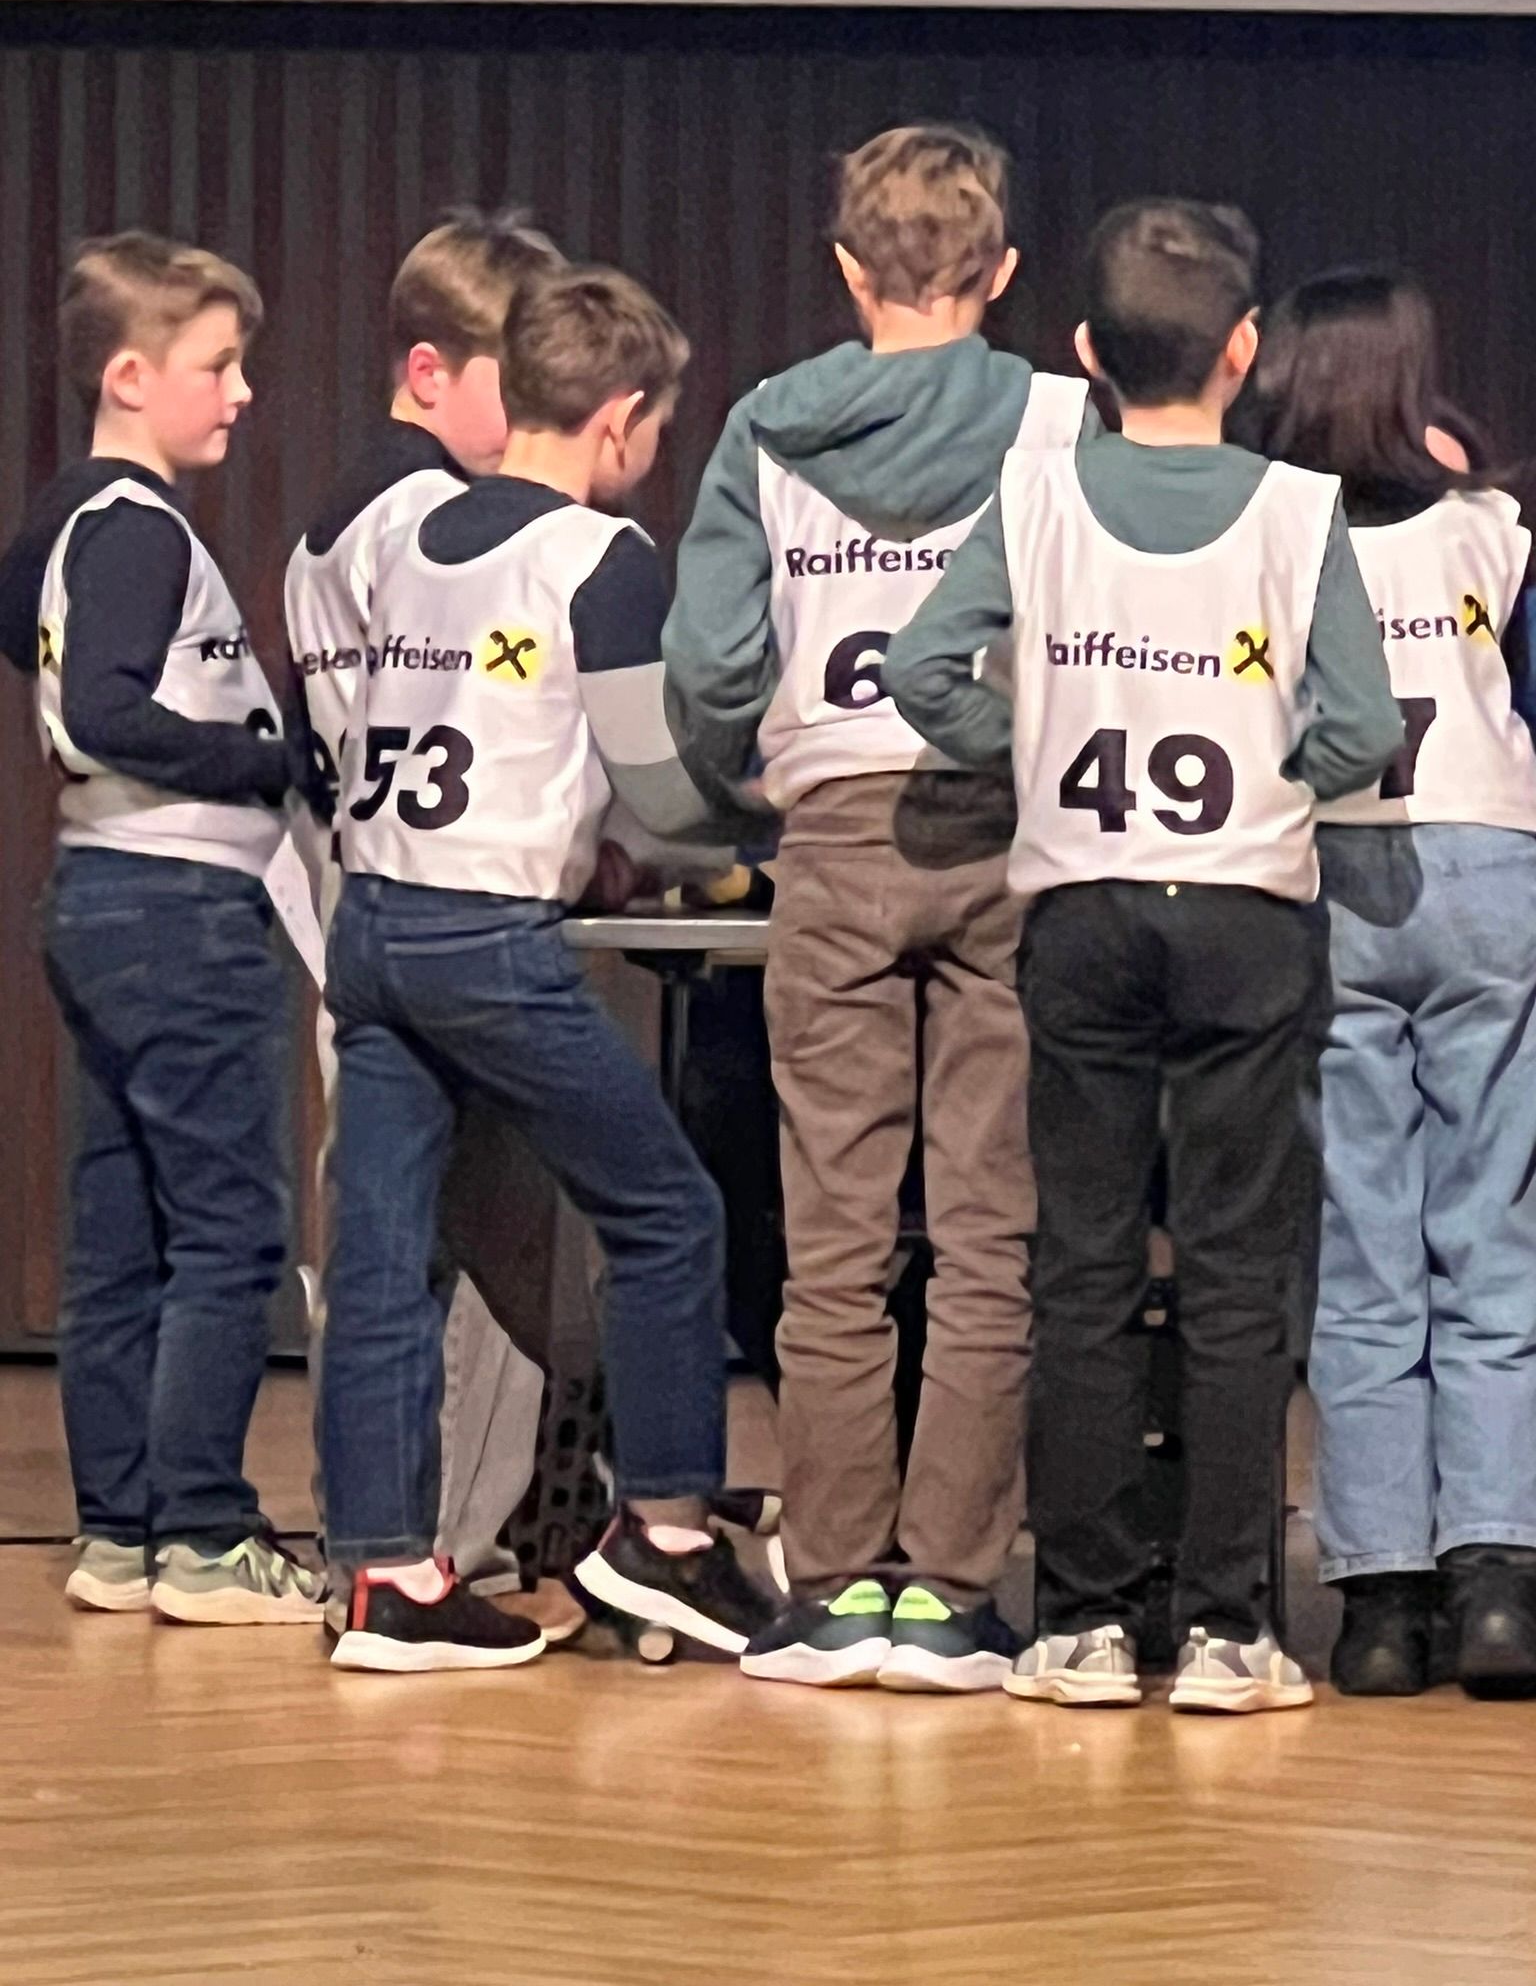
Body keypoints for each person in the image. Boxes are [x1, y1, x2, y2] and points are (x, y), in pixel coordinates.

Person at [885, 198, 1402, 1712]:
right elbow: (1367, 727)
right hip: (1245, 910)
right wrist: (1272, 770)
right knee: (1239, 1273)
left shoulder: (1035, 493)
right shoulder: (1297, 510)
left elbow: (920, 666)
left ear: (1086, 353)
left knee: (1085, 1266)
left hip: (1083, 907)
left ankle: (1086, 1623)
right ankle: (1235, 1630)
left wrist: (1033, 742)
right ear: (1244, 350)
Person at [665, 123, 1094, 1693]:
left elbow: (709, 667)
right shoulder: (1061, 420)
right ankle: (954, 1599)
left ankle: (835, 1585)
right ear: (1004, 270)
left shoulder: (766, 426)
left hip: (834, 832)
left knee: (834, 1238)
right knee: (989, 1235)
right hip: (1006, 827)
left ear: (850, 271)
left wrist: (738, 792)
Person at [321, 261, 774, 1673]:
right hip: (485, 945)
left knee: (386, 1258)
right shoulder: (600, 556)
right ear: (621, 416)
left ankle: (386, 1576)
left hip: (371, 924)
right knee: (668, 1215)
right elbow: (660, 786)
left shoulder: (410, 534)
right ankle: (666, 1541)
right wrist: (769, 816)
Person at [0, 232, 321, 1622]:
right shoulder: (136, 525)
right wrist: (268, 759)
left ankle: (118, 1532)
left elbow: (40, 653)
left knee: (121, 1234)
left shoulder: (65, 521)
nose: (241, 391)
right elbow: (101, 712)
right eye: (218, 365)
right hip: (178, 909)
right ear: (129, 378)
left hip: (100, 900)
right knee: (229, 1231)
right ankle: (201, 1531)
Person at [1245, 271, 1536, 1699]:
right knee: (1492, 1235)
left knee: (1362, 1248)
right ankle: (1499, 1586)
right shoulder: (1493, 526)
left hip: (1329, 871)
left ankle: (1377, 1602)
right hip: (1486, 865)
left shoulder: (1265, 533)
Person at [285, 206, 571, 1623]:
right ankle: (445, 1545)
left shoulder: (333, 521)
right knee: (472, 1243)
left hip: (367, 904)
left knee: (391, 1237)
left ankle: (383, 1536)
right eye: (522, 386)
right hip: (444, 903)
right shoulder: (427, 529)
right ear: (426, 370)